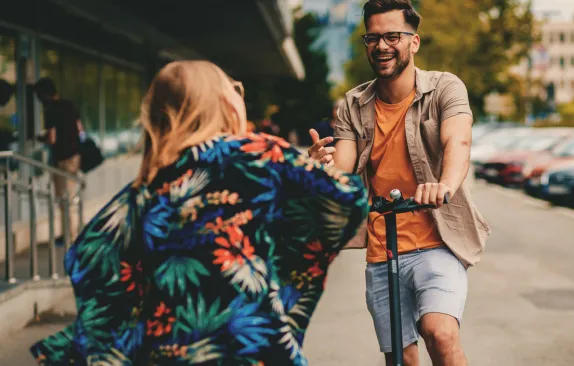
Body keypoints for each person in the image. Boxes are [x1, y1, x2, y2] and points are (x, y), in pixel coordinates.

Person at [30, 60, 368, 365]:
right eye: (234, 90)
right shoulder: (254, 153)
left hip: (165, 352)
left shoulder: (146, 187)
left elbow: (87, 253)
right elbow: (345, 200)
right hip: (248, 347)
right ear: (220, 103)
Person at [308, 1, 490, 365]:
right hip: (382, 247)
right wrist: (318, 170)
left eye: (393, 36)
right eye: (372, 38)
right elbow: (342, 170)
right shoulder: (354, 103)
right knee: (401, 359)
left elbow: (459, 142)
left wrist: (444, 185)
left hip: (437, 242)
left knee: (440, 332)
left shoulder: (444, 89)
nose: (381, 46)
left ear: (415, 42)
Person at [32, 77, 83, 245]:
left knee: (64, 199)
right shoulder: (70, 105)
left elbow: (52, 138)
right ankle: (71, 234)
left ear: (44, 95)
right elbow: (80, 129)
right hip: (75, 157)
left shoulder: (51, 110)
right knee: (71, 197)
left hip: (62, 159)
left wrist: (41, 138)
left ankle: (71, 236)